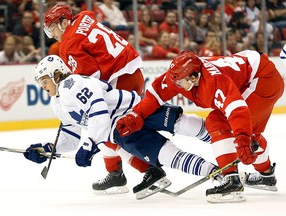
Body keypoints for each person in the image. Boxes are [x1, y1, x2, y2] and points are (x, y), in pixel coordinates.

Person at [23, 55, 220, 199]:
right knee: (165, 155)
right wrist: (48, 149)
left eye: (44, 81)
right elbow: (70, 137)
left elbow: (97, 109)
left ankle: (228, 141)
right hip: (120, 133)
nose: (43, 86)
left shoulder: (72, 84)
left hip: (134, 110)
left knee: (181, 123)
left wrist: (91, 144)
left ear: (56, 74)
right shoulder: (58, 104)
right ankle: (217, 172)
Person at [116, 50, 284, 203]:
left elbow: (237, 110)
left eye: (180, 82)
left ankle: (232, 181)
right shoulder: (179, 75)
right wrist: (136, 114)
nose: (176, 85)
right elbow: (155, 95)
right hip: (250, 73)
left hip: (262, 79)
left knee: (218, 123)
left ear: (194, 78)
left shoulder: (214, 81)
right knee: (250, 136)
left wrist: (241, 138)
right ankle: (267, 175)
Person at [42, 3, 149, 194]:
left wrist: (76, 96)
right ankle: (115, 172)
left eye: (52, 30)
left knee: (107, 129)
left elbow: (90, 79)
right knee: (112, 128)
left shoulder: (68, 45)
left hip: (119, 78)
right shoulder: (84, 16)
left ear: (65, 23)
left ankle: (149, 170)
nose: (53, 36)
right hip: (133, 72)